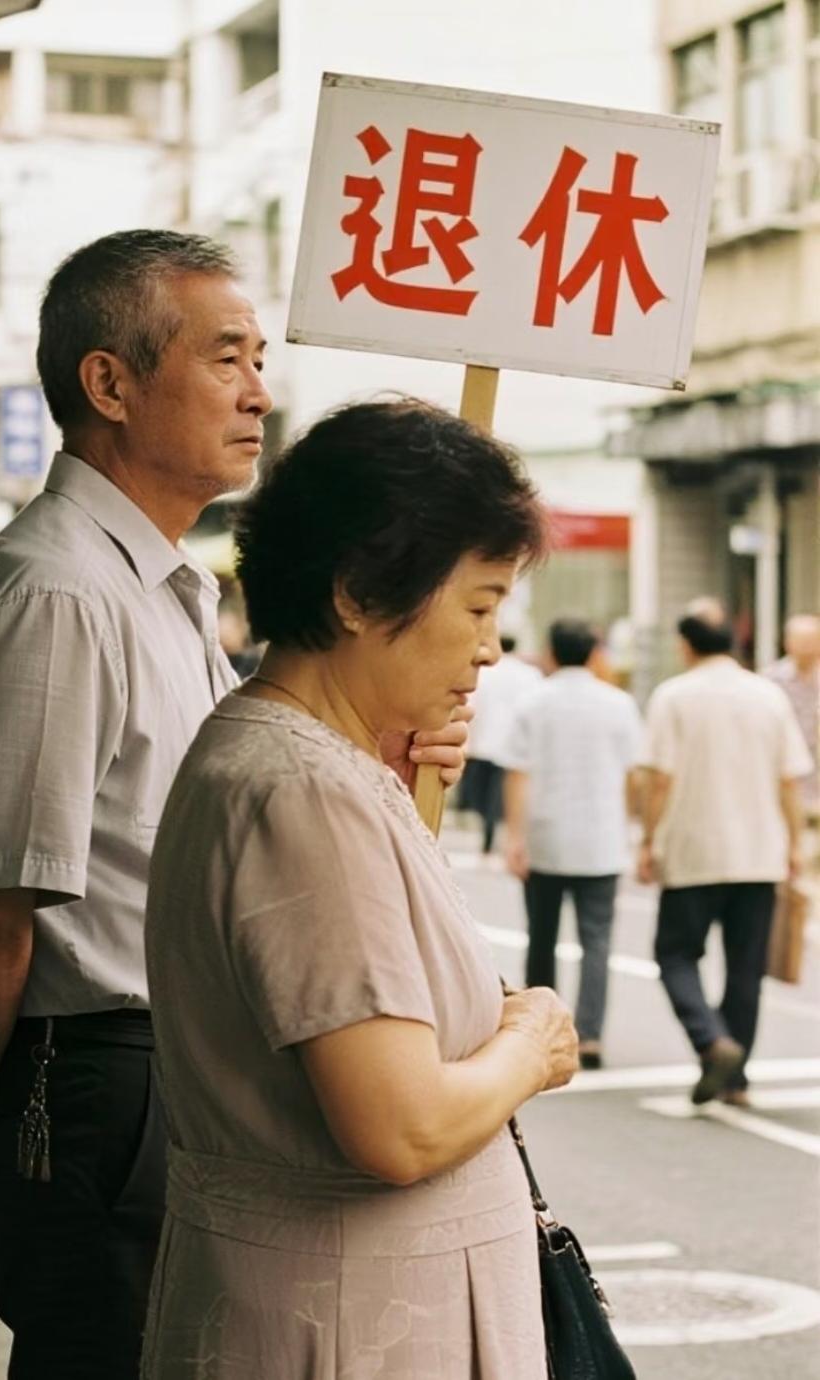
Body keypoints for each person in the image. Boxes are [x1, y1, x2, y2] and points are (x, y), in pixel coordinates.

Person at [0, 232, 470, 1379]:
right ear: (109, 383)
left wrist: (386, 749)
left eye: (261, 360)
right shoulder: (61, 588)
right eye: (227, 357)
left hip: (162, 1065)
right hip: (95, 1079)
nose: (259, 391)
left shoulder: (167, 585)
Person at [142, 400, 578, 1380]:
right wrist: (530, 1046)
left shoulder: (286, 758)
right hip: (351, 1323)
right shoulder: (306, 791)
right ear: (355, 593)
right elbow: (400, 1124)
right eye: (478, 605)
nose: (490, 649)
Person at [639, 610, 813, 1107]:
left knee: (675, 954)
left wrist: (649, 840)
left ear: (687, 645)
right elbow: (789, 780)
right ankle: (736, 1079)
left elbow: (660, 779)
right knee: (745, 966)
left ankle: (712, 1041)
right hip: (760, 851)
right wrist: (794, 845)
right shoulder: (767, 694)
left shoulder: (674, 695)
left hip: (694, 848)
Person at [500, 617, 644, 1070]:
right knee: (597, 941)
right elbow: (633, 773)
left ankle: (541, 1034)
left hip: (546, 835)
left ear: (551, 651)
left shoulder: (533, 701)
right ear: (595, 653)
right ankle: (592, 1035)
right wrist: (634, 830)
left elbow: (517, 772)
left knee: (541, 937)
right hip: (602, 838)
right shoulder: (619, 704)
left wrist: (515, 836)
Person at [457, 633, 542, 851]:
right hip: (515, 741)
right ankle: (505, 832)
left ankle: (489, 830)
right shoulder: (530, 674)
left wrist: (470, 739)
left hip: (486, 740)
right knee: (506, 789)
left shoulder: (485, 673)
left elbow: (474, 705)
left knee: (487, 791)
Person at [763, 614, 820, 818]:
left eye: (813, 641)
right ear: (787, 643)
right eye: (802, 641)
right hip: (785, 780)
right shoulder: (771, 680)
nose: (808, 647)